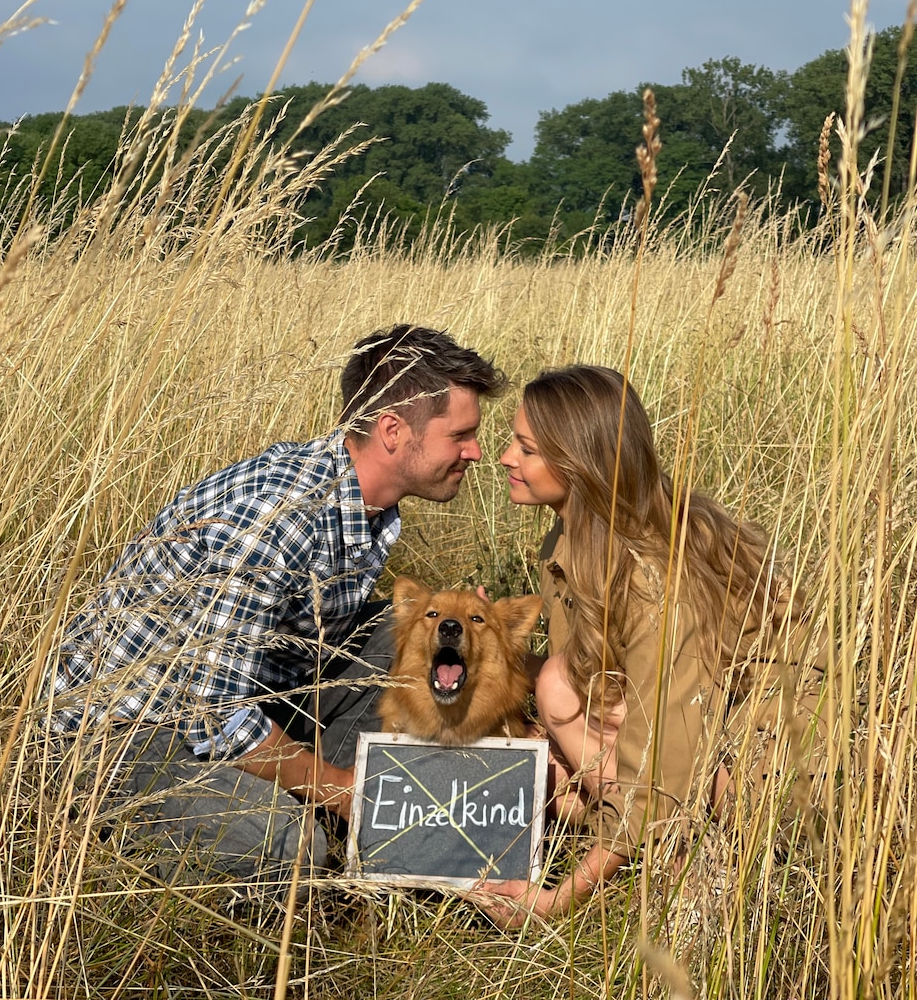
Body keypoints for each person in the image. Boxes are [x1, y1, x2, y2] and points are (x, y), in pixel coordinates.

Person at [46, 324, 505, 895]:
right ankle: (132, 843)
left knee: (424, 629)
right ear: (392, 432)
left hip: (236, 692)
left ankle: (364, 813)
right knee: (292, 848)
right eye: (460, 434)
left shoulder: (363, 501)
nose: (476, 451)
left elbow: (302, 647)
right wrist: (338, 787)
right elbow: (214, 714)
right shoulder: (281, 516)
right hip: (122, 731)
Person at [476, 364, 828, 926]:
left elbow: (660, 754)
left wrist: (555, 902)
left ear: (578, 463)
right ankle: (651, 844)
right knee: (546, 768)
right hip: (704, 730)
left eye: (526, 448)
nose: (505, 459)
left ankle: (693, 874)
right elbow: (607, 675)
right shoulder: (574, 534)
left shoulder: (650, 576)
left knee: (558, 692)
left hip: (779, 770)